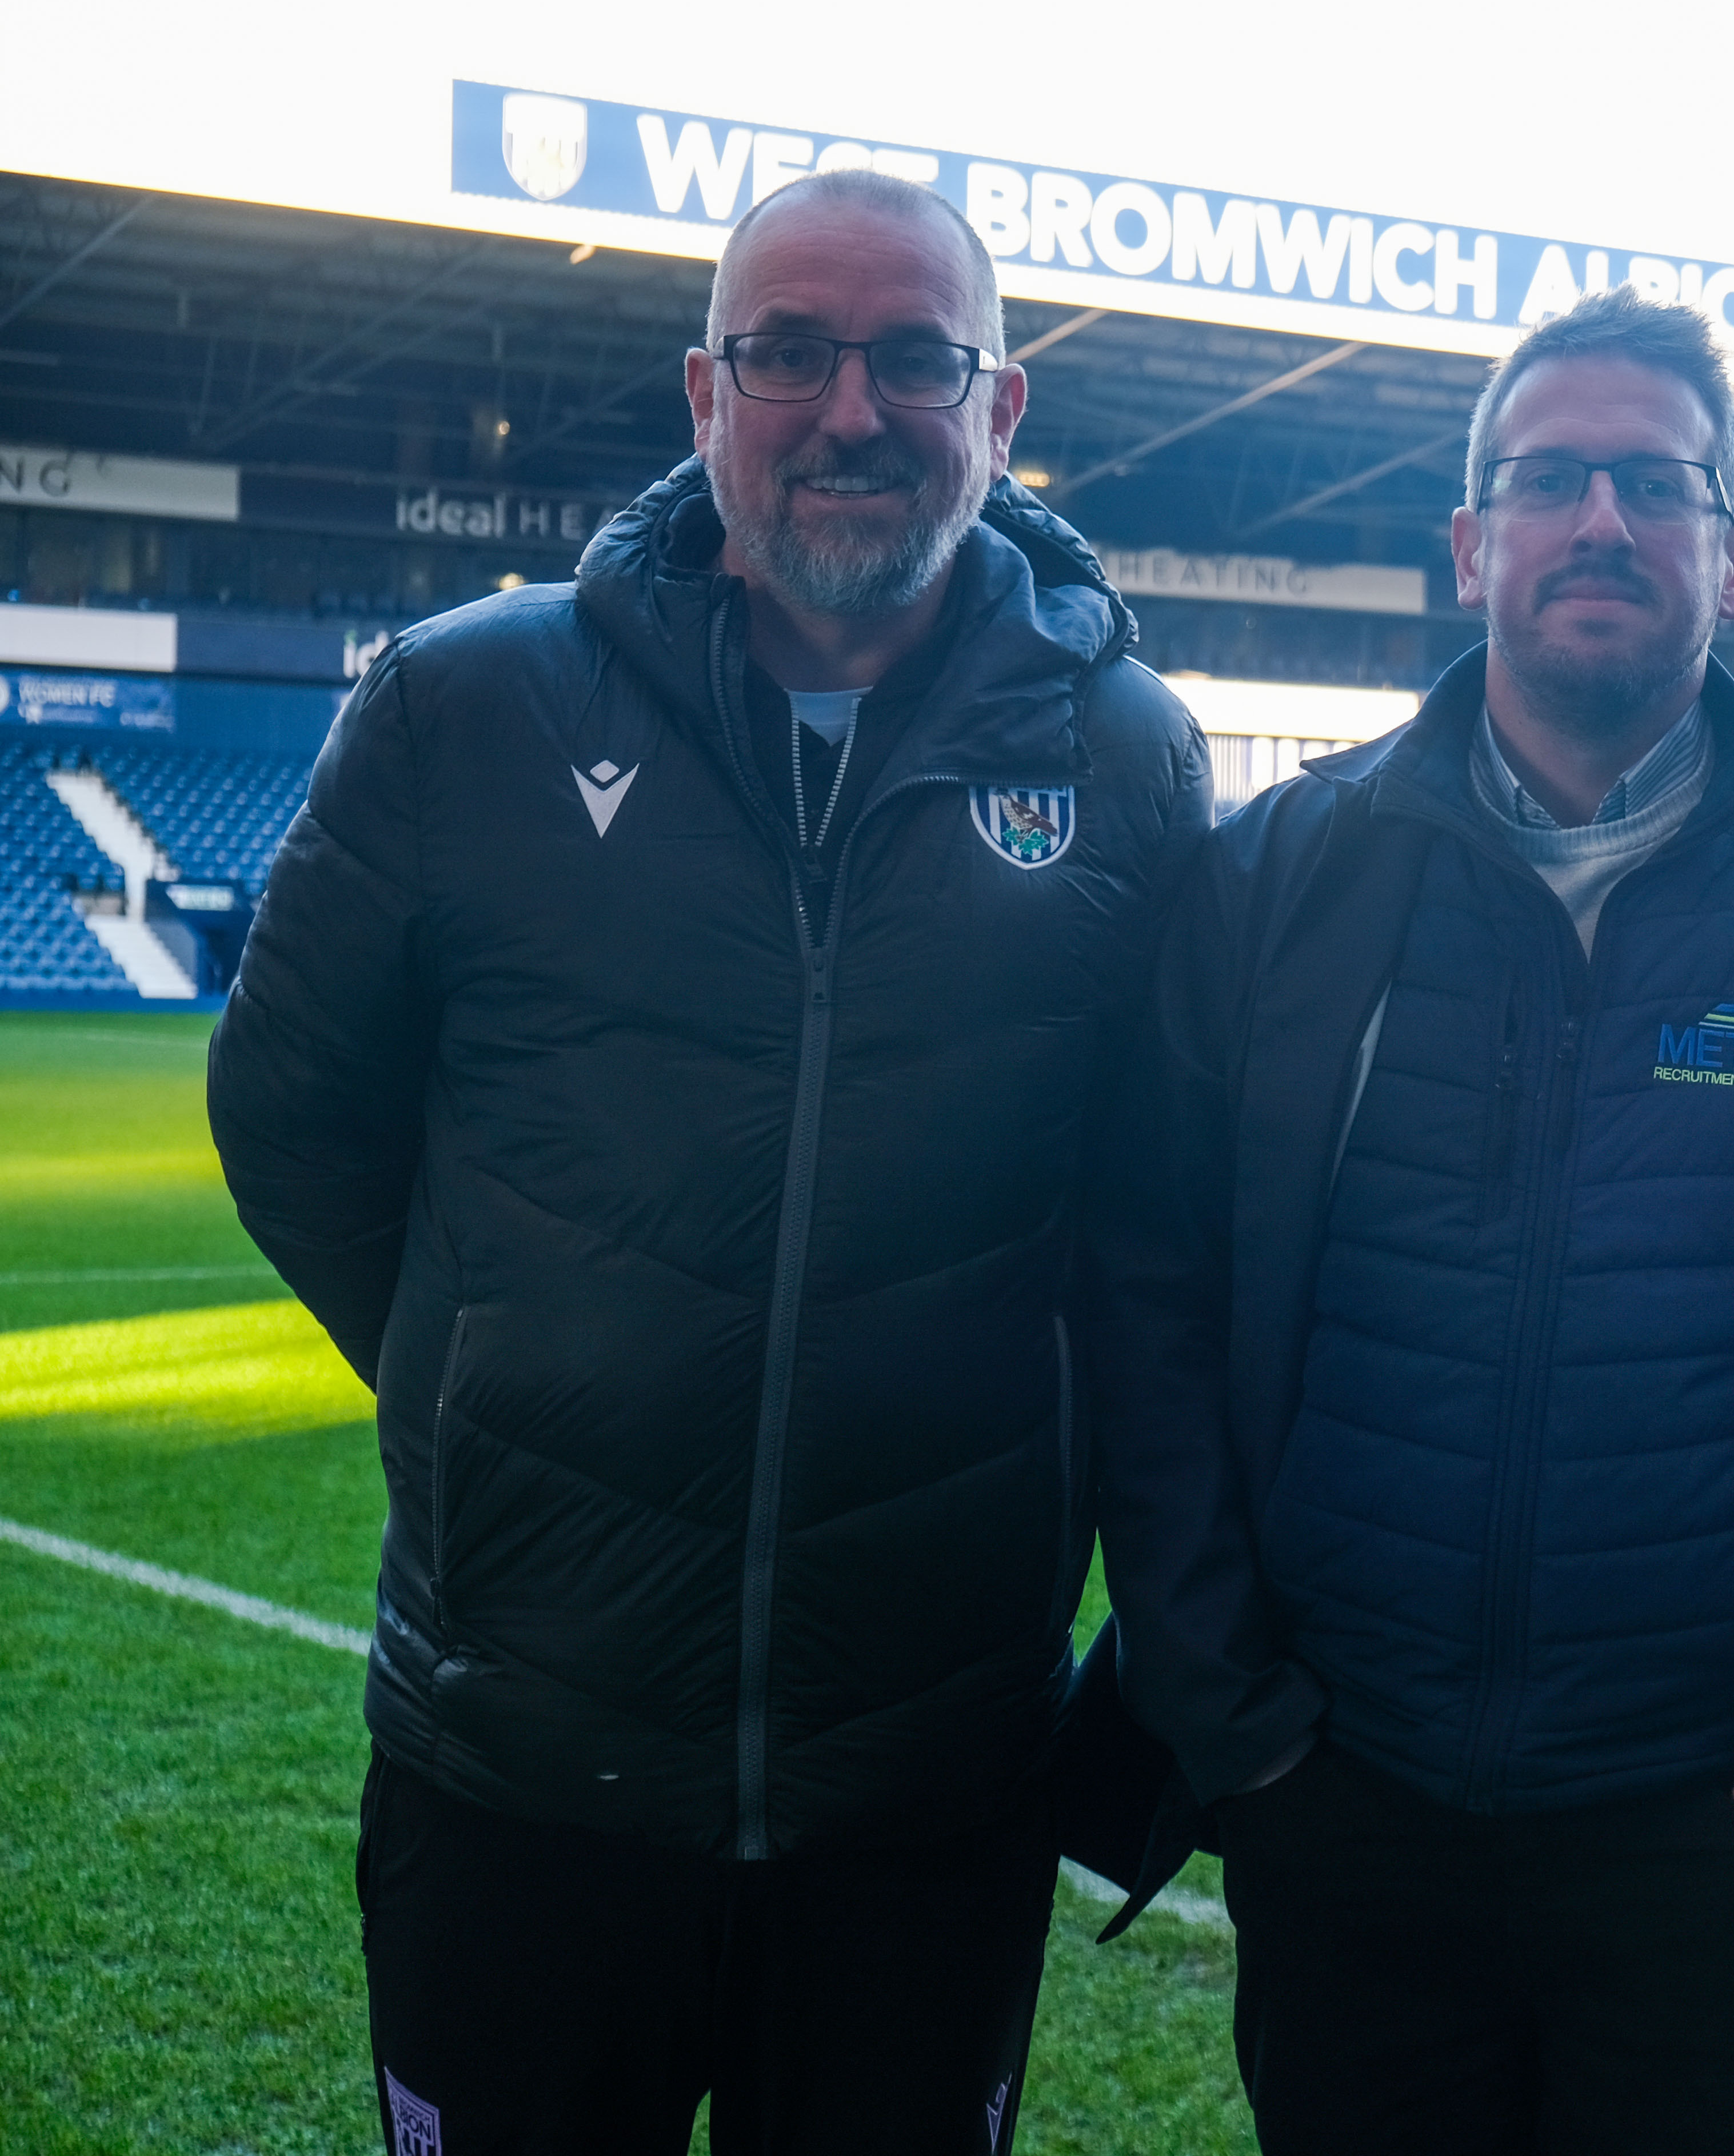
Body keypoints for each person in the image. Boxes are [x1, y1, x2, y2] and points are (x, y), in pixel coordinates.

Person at [208, 167, 1209, 2155]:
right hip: (517, 1762)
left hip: (927, 1791)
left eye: (917, 357)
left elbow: (1164, 1232)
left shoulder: (1124, 759)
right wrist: (484, 1372)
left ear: (1000, 413)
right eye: (791, 353)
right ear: (703, 391)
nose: (854, 407)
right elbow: (292, 1115)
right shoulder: (464, 706)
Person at [1082, 286, 1734, 2154]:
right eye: (1553, 478)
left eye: (1654, 486)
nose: (1601, 522)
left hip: (1714, 1828)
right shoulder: (1285, 870)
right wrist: (1234, 1716)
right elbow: (1149, 1297)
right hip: (1350, 1797)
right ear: (1470, 538)